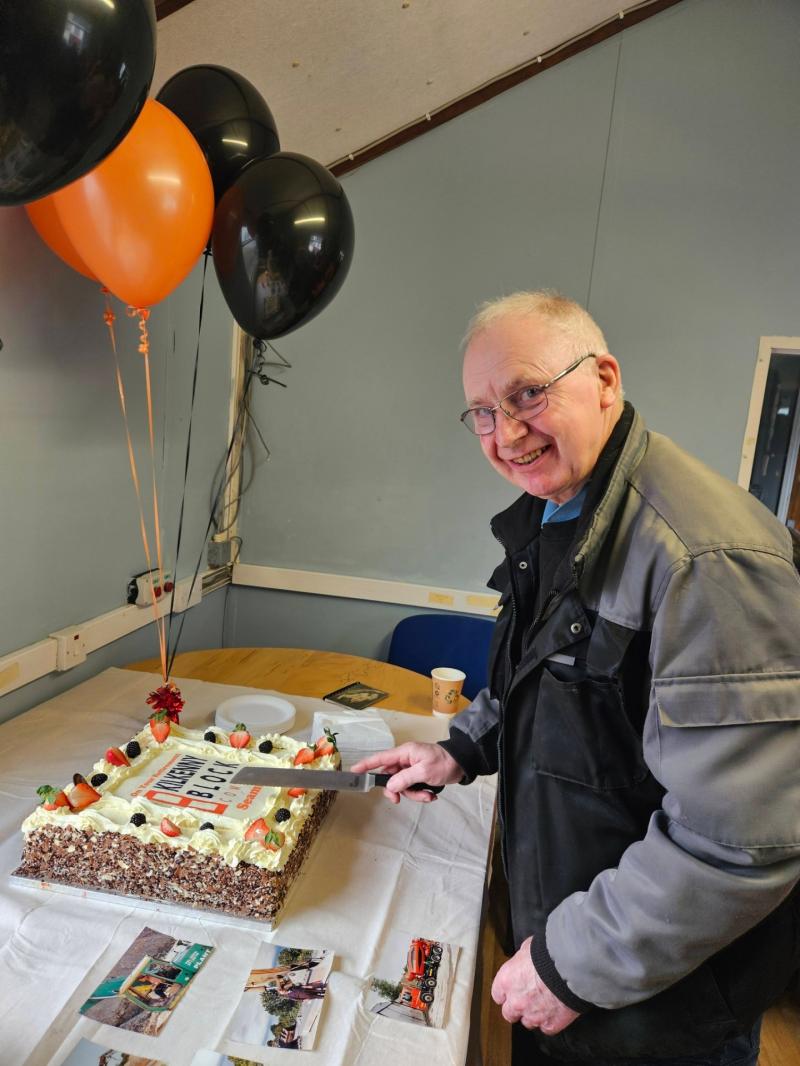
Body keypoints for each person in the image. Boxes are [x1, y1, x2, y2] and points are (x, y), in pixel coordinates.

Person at [352, 291, 800, 1064]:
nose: (507, 433)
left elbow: (738, 840)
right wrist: (459, 750)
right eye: (484, 412)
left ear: (604, 381)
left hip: (660, 1005)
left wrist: (572, 963)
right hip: (576, 955)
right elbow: (548, 681)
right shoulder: (563, 512)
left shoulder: (705, 558)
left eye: (529, 393)